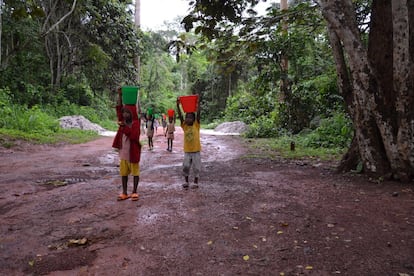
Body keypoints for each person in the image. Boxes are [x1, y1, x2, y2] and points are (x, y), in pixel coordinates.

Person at [112, 88, 141, 201]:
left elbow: (134, 137)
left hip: (133, 154)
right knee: (123, 174)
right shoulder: (122, 120)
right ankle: (124, 192)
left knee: (135, 173)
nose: (124, 114)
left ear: (132, 113)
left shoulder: (136, 123)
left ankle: (134, 191)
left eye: (127, 112)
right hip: (124, 154)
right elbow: (118, 109)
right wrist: (120, 95)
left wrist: (124, 128)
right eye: (124, 112)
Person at [176, 95, 201, 189]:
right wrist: (178, 105)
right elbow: (180, 116)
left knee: (197, 167)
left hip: (196, 150)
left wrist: (198, 104)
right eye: (186, 117)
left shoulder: (196, 125)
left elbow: (198, 113)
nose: (187, 119)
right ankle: (186, 181)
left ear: (194, 119)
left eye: (190, 118)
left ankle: (195, 181)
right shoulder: (184, 126)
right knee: (185, 166)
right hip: (187, 151)